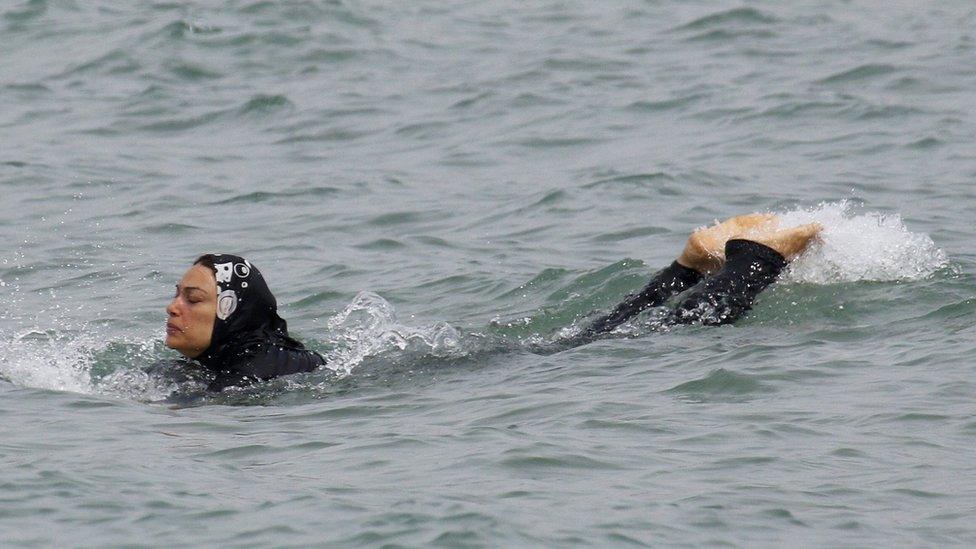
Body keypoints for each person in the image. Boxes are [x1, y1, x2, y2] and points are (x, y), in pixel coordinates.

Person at [164, 215, 821, 391]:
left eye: (191, 297)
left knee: (634, 343)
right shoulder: (238, 363)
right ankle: (686, 265)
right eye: (175, 293)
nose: (173, 306)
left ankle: (758, 261)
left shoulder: (262, 372)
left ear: (230, 311)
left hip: (465, 375)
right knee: (590, 339)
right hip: (451, 363)